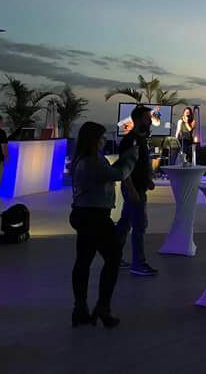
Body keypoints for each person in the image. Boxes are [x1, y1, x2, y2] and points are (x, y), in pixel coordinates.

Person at [70, 121, 138, 328]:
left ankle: (80, 309)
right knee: (113, 258)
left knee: (83, 261)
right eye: (101, 138)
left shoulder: (84, 159)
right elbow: (118, 174)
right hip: (96, 217)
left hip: (84, 214)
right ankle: (103, 307)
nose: (104, 141)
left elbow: (109, 171)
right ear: (93, 140)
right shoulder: (92, 162)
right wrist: (131, 158)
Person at [116, 105, 158, 276]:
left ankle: (113, 256)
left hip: (139, 187)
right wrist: (131, 189)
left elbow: (141, 164)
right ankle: (138, 264)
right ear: (140, 119)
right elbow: (124, 169)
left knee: (125, 223)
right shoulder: (130, 141)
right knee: (139, 225)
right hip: (134, 189)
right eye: (148, 118)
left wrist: (148, 180)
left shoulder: (141, 140)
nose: (150, 121)